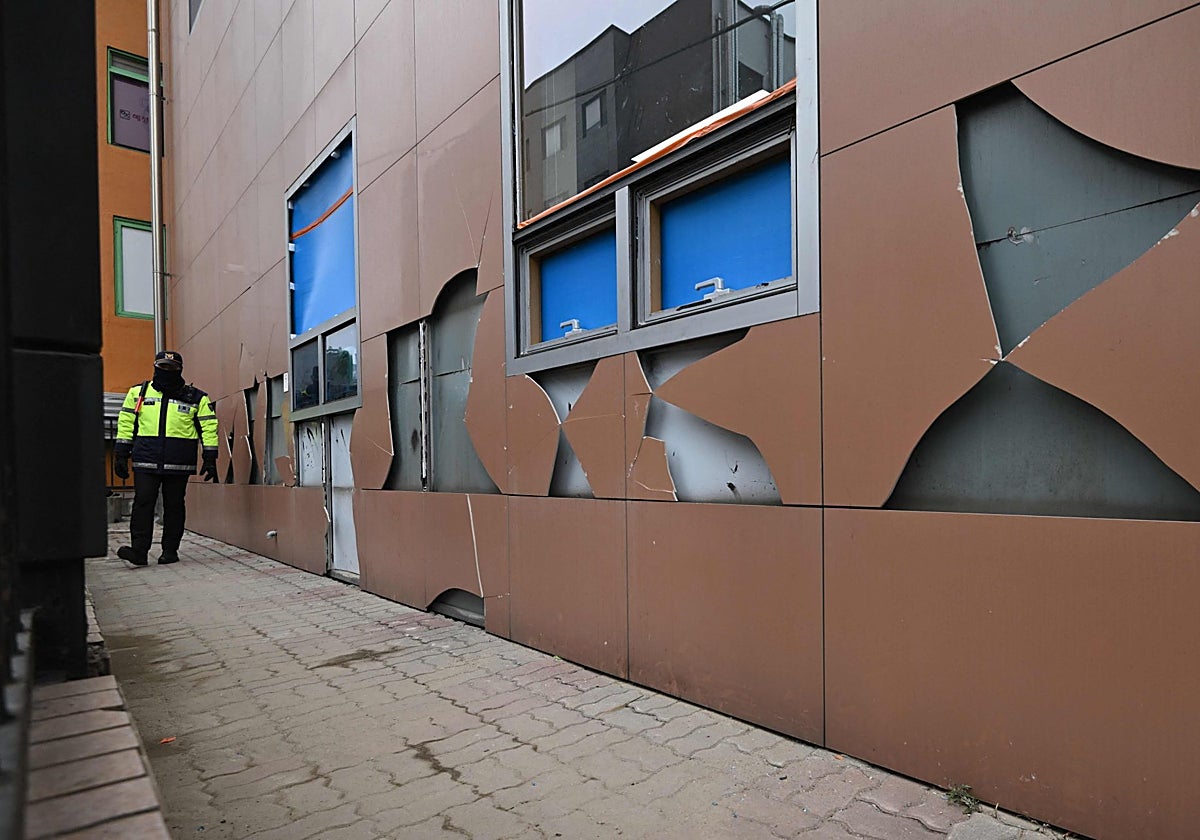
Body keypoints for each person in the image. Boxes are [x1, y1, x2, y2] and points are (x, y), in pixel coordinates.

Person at [113, 351, 219, 565]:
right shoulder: (138, 393)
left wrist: (210, 457)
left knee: (174, 505)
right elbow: (126, 423)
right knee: (143, 503)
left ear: (180, 370)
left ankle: (170, 551)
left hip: (178, 461)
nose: (166, 372)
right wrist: (121, 454)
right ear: (154, 367)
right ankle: (139, 552)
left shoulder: (197, 397)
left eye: (171, 368)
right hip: (146, 459)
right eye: (162, 367)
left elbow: (209, 427)